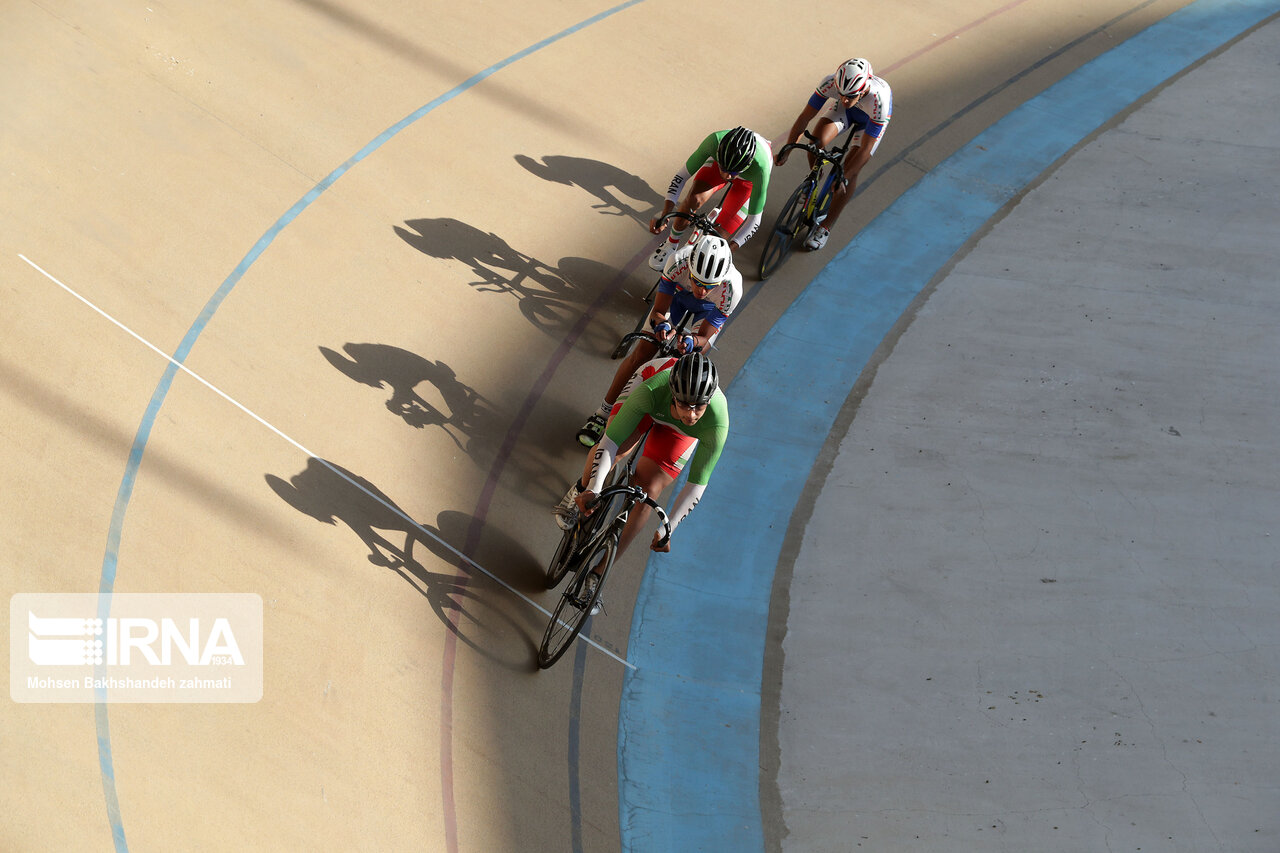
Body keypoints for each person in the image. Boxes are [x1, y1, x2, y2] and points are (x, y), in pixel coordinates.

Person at [553, 352, 728, 613]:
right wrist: (593, 488)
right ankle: (579, 488)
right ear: (673, 395)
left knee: (648, 492)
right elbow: (610, 442)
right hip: (649, 405)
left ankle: (598, 575)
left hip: (678, 435)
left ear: (709, 400)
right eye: (685, 405)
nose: (692, 415)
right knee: (619, 451)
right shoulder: (651, 389)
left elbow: (697, 484)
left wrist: (669, 528)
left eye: (699, 407)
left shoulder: (717, 421)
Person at [576, 232, 740, 447]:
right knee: (642, 352)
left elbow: (703, 337)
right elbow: (659, 311)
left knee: (692, 364)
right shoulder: (678, 261)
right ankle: (602, 413)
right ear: (689, 268)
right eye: (698, 282)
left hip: (708, 312)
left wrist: (691, 342)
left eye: (710, 286)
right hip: (678, 298)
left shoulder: (731, 288)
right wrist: (662, 324)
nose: (702, 290)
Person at [775, 57, 892, 251]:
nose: (845, 100)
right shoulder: (830, 82)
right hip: (847, 114)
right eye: (841, 94)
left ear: (863, 90)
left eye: (850, 96)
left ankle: (826, 227)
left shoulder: (880, 101)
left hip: (870, 121)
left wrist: (844, 178)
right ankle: (814, 179)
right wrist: (788, 147)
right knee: (816, 142)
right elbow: (805, 117)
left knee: (850, 170)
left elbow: (865, 150)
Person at [647, 126, 773, 271]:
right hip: (720, 164)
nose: (727, 176)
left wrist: (729, 249)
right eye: (724, 169)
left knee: (719, 237)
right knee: (693, 199)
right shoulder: (714, 141)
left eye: (733, 172)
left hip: (747, 182)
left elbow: (754, 220)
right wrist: (665, 214)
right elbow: (681, 177)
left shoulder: (761, 169)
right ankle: (671, 243)